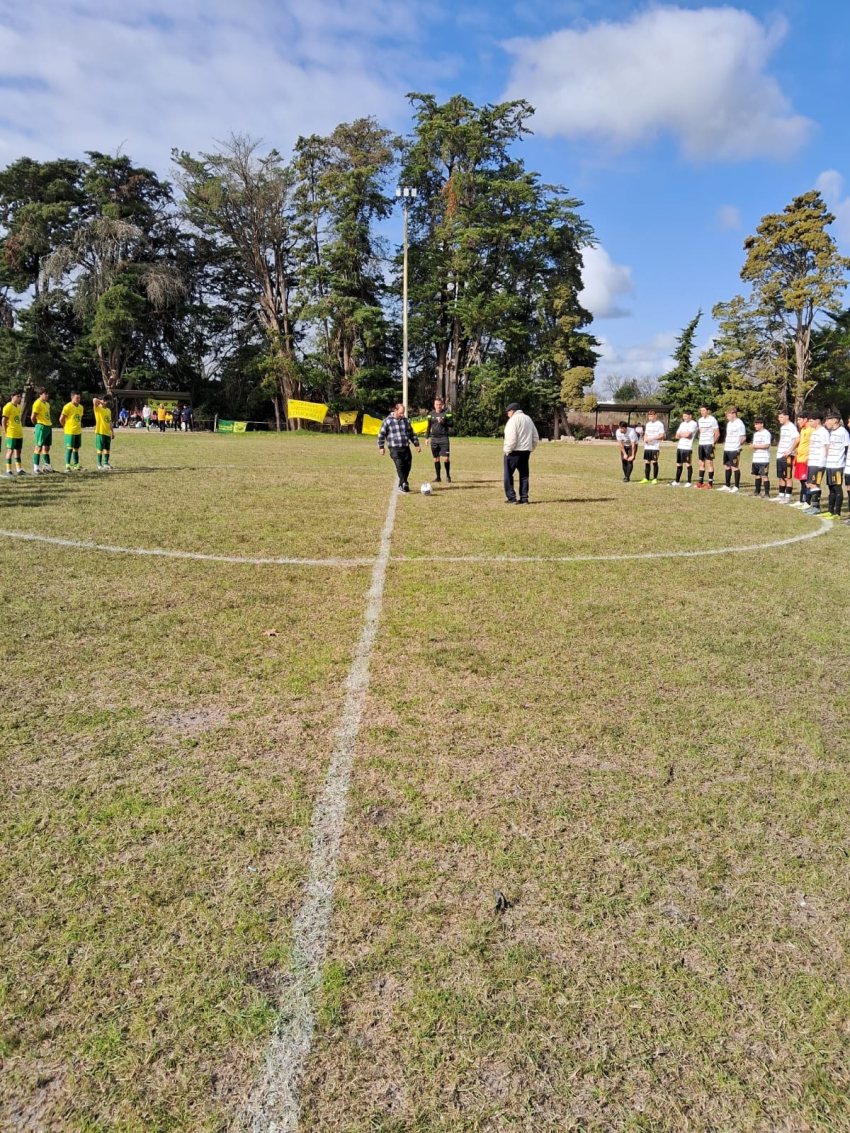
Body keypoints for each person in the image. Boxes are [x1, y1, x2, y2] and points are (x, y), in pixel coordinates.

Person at [377, 402, 421, 493]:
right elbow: (381, 434)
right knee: (400, 465)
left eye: (403, 413)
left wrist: (416, 444)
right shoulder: (387, 421)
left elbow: (411, 433)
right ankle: (404, 483)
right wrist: (381, 447)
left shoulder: (405, 421)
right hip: (394, 448)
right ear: (395, 410)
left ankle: (402, 484)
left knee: (407, 466)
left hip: (405, 447)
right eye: (400, 413)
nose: (402, 415)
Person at [503, 402, 539, 504]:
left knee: (508, 475)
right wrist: (531, 448)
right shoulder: (528, 419)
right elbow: (535, 436)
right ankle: (524, 498)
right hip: (525, 451)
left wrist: (507, 450)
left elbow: (511, 437)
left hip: (514, 451)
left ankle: (511, 497)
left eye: (508, 412)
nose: (507, 414)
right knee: (524, 476)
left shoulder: (513, 421)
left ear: (512, 411)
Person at [823, 412, 849, 519]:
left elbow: (847, 448)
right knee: (831, 488)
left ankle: (837, 512)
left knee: (837, 487)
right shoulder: (831, 432)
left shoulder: (843, 432)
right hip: (829, 464)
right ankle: (830, 510)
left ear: (835, 421)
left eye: (828, 420)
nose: (826, 422)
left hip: (837, 465)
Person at [803, 412, 829, 515]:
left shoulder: (824, 432)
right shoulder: (814, 432)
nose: (809, 423)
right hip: (812, 462)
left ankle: (816, 507)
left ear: (818, 421)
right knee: (810, 484)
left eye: (811, 421)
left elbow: (827, 448)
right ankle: (813, 505)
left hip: (818, 463)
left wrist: (822, 462)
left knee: (813, 484)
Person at [773, 410, 799, 504]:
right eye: (778, 417)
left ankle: (787, 497)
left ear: (787, 417)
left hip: (787, 455)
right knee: (781, 476)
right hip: (780, 454)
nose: (779, 419)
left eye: (781, 417)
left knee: (787, 477)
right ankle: (781, 496)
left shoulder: (791, 427)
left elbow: (797, 439)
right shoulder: (783, 427)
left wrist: (790, 450)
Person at [717, 408, 746, 493]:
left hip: (734, 448)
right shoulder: (729, 423)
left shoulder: (739, 424)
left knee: (734, 467)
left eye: (729, 415)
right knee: (726, 466)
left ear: (734, 414)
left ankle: (736, 486)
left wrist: (739, 447)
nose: (727, 417)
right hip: (727, 448)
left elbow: (743, 437)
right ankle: (727, 485)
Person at [425, 397, 452, 483]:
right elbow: (428, 427)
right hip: (434, 439)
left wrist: (443, 422)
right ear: (434, 405)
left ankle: (448, 476)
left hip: (444, 438)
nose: (438, 406)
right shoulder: (430, 414)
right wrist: (426, 438)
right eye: (437, 404)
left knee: (446, 459)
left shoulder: (447, 413)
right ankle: (438, 477)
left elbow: (452, 424)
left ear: (442, 405)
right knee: (436, 459)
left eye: (440, 404)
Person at [31, 388, 56, 473]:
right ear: (40, 394)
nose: (47, 395)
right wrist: (37, 425)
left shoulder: (47, 404)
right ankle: (36, 468)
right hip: (41, 426)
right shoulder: (37, 403)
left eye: (48, 394)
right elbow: (33, 417)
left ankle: (47, 467)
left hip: (48, 426)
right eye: (45, 394)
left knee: (47, 448)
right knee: (38, 447)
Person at [789, 414, 812, 507]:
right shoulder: (803, 430)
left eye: (799, 420)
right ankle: (802, 500)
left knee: (806, 481)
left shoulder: (811, 429)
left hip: (806, 459)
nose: (798, 422)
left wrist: (809, 457)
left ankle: (807, 502)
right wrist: (797, 455)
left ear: (805, 419)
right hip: (800, 458)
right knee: (802, 481)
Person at [695, 405, 720, 488]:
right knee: (701, 463)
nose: (702, 412)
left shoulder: (712, 420)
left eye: (703, 410)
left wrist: (714, 443)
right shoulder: (700, 420)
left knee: (709, 462)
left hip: (709, 444)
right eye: (701, 410)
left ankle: (710, 483)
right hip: (701, 444)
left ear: (708, 411)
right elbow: (700, 431)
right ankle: (700, 482)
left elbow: (717, 433)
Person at [671, 410, 697, 486]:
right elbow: (676, 435)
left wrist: (681, 434)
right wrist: (683, 434)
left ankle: (689, 482)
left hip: (688, 447)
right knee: (679, 464)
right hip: (680, 446)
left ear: (690, 416)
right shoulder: (682, 424)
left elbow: (688, 435)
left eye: (686, 416)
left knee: (688, 464)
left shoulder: (693, 424)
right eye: (683, 416)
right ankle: (677, 481)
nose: (684, 418)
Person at [59, 390, 84, 471]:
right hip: (70, 431)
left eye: (79, 398)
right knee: (69, 448)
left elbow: (79, 418)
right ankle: (67, 466)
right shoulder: (67, 407)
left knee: (76, 448)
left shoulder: (81, 407)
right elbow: (61, 419)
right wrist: (65, 427)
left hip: (78, 431)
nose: (78, 399)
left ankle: (76, 465)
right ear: (72, 397)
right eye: (77, 398)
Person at [638, 410, 665, 483]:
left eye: (652, 416)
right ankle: (646, 478)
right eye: (649, 416)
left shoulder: (659, 424)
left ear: (656, 416)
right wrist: (645, 438)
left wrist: (652, 438)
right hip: (647, 447)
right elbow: (646, 433)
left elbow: (662, 435)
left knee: (654, 462)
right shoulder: (648, 424)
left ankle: (654, 479)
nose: (650, 418)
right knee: (647, 462)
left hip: (655, 447)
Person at [2, 391, 25, 476]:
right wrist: (6, 432)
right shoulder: (7, 407)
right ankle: (8, 470)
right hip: (11, 432)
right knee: (10, 451)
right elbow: (4, 421)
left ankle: (19, 469)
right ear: (12, 397)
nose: (19, 398)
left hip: (19, 432)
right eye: (18, 396)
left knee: (18, 451)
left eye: (20, 397)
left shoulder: (19, 407)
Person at [750, 418, 772, 497]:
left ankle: (766, 493)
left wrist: (755, 446)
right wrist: (753, 446)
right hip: (756, 458)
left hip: (764, 458)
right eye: (755, 424)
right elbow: (755, 444)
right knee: (757, 475)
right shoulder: (756, 434)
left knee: (764, 475)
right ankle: (757, 491)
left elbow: (766, 445)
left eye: (757, 424)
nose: (755, 426)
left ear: (762, 424)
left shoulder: (766, 433)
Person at [93, 395, 114, 470]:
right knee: (100, 448)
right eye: (104, 400)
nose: (106, 402)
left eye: (106, 400)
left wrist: (112, 431)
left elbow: (110, 421)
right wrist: (100, 401)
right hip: (100, 432)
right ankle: (99, 464)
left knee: (107, 449)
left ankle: (106, 463)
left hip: (107, 432)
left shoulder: (108, 410)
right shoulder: (97, 409)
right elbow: (94, 399)